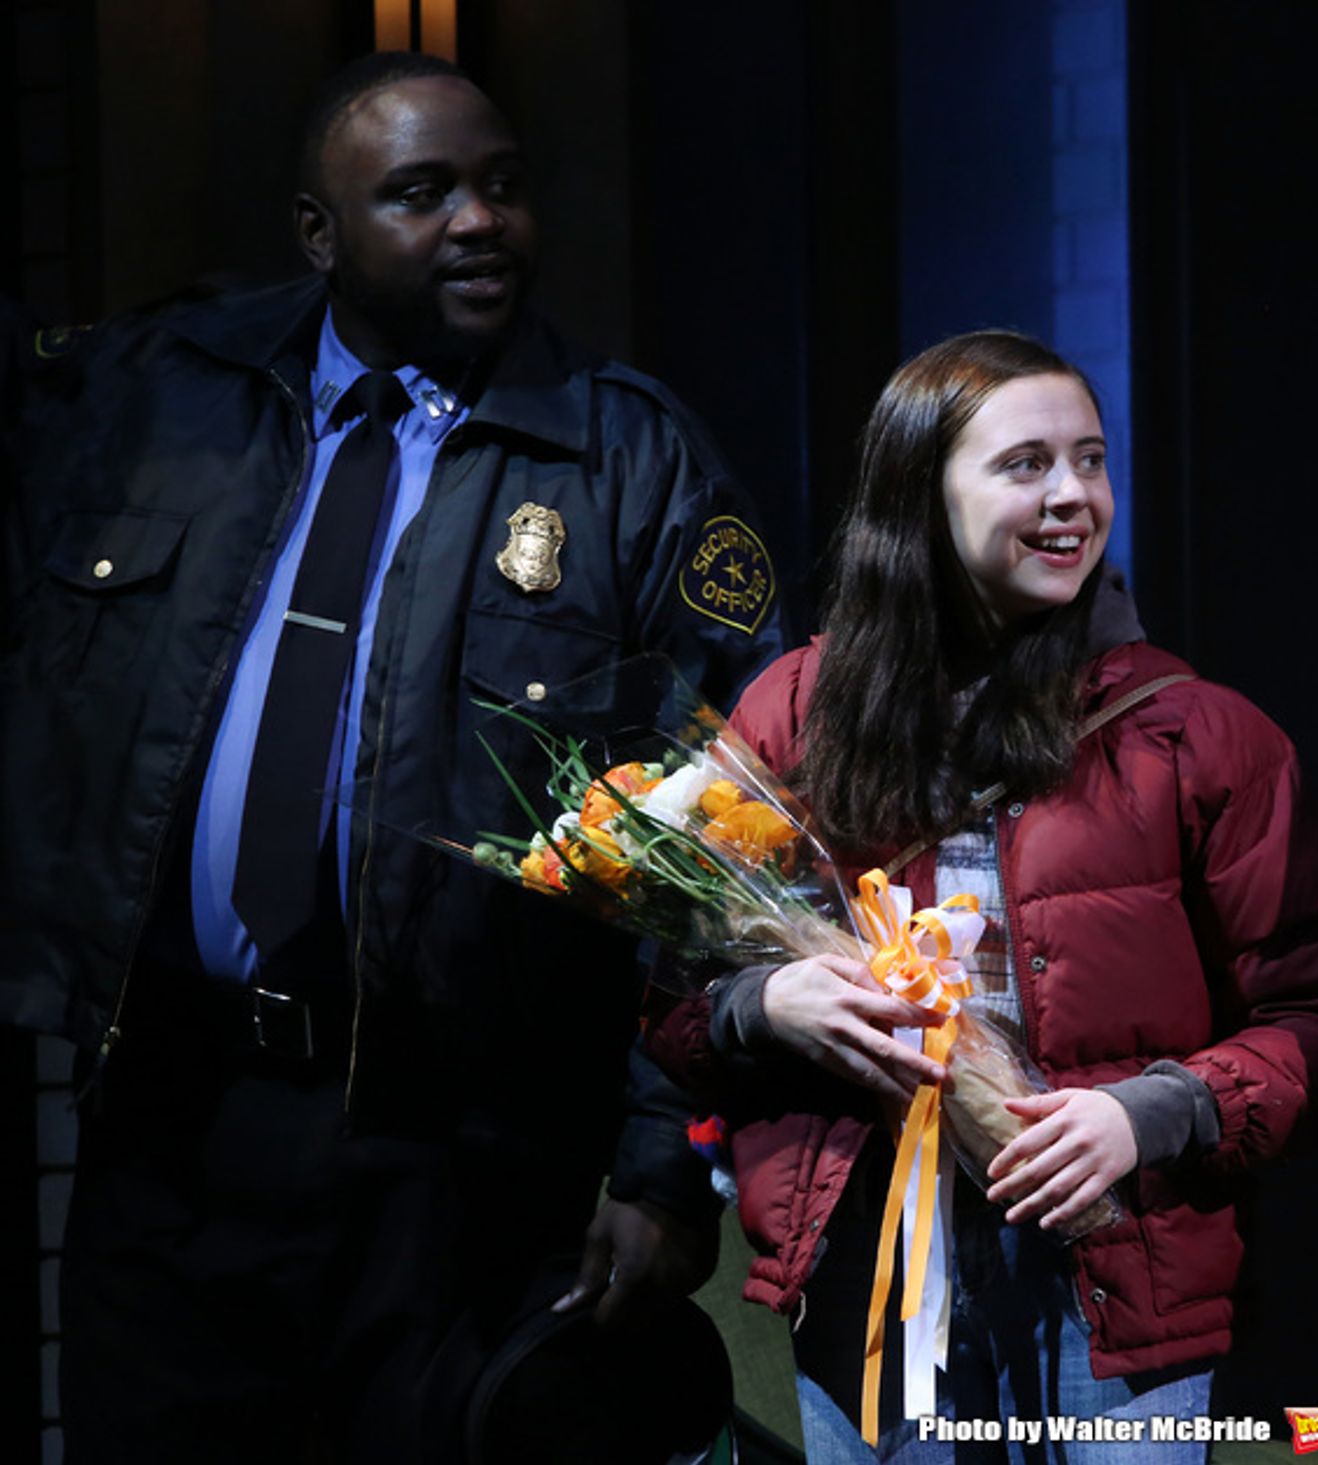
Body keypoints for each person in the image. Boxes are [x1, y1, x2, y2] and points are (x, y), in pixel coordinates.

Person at [0, 52, 783, 1464]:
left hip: (464, 1159)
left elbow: (736, 831)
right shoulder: (162, 395)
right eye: (422, 194)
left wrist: (671, 1163)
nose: (478, 219)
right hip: (171, 1136)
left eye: (500, 185)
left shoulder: (628, 459)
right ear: (319, 232)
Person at [644, 330, 1318, 1461]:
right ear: (916, 493)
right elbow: (671, 1001)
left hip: (1114, 1277)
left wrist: (1151, 1112)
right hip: (866, 1277)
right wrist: (766, 1004)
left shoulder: (1196, 735)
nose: (1071, 495)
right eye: (1024, 463)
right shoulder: (793, 715)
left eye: (1088, 460)